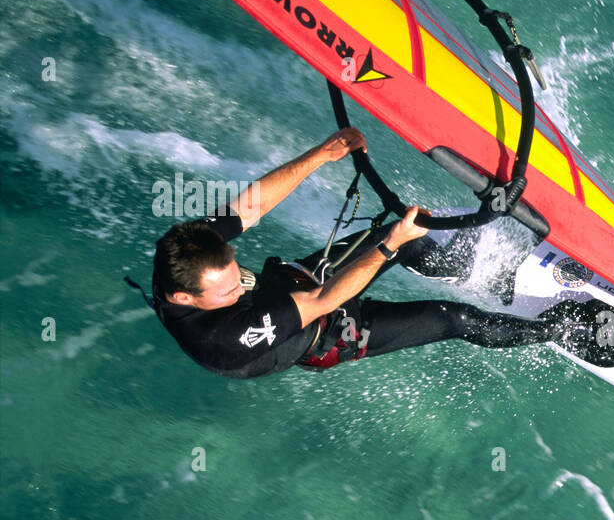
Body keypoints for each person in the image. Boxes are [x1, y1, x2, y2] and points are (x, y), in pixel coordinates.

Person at [150, 129, 583, 379]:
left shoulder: (186, 249)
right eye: (227, 292)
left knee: (407, 239)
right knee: (453, 318)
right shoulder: (224, 339)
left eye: (235, 276)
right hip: (327, 329)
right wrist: (387, 244)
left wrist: (321, 154)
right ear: (184, 299)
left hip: (295, 284)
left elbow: (249, 208)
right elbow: (325, 301)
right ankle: (563, 330)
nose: (236, 287)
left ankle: (474, 271)